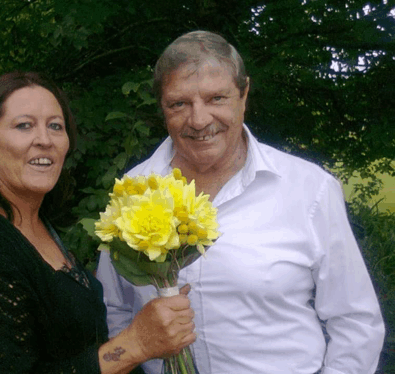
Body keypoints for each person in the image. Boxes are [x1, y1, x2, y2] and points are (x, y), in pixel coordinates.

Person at [96, 31, 385, 374]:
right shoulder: (133, 193)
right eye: (179, 103)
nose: (199, 120)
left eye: (216, 98)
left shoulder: (309, 190)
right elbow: (114, 312)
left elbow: (355, 322)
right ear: (161, 106)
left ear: (244, 94)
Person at [0, 71, 196, 374]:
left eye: (55, 126)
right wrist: (134, 344)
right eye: (24, 125)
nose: (44, 140)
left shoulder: (43, 231)